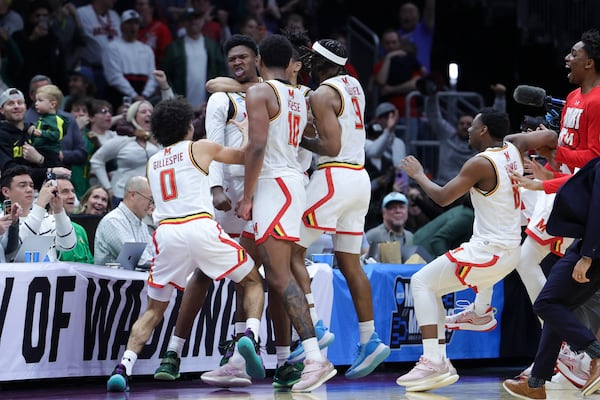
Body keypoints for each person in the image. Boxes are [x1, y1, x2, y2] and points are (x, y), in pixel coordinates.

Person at [106, 97, 265, 393]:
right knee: (253, 280)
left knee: (153, 310)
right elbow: (245, 155)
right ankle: (251, 336)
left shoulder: (152, 161)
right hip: (199, 226)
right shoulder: (199, 147)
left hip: (167, 234)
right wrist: (244, 129)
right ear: (188, 126)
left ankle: (123, 367)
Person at [394, 107, 543, 392]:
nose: (468, 131)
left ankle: (435, 360)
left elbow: (442, 197)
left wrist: (418, 175)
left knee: (421, 282)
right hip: (509, 250)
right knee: (434, 284)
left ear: (484, 130)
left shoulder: (480, 164)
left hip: (489, 252)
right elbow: (549, 135)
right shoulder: (514, 147)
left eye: (473, 126)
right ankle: (476, 316)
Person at [152, 34, 264, 388]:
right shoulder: (223, 96)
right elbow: (213, 143)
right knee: (205, 272)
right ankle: (174, 350)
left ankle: (235, 353)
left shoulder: (269, 92)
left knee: (248, 274)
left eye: (243, 57)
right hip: (229, 190)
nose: (237, 63)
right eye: (232, 58)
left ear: (258, 58)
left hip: (265, 188)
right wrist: (216, 188)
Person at [235, 34, 336, 393]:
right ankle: (237, 357)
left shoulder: (260, 93)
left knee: (278, 277)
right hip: (291, 182)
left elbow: (257, 145)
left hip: (272, 185)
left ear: (260, 59)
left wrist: (246, 196)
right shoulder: (300, 95)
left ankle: (313, 358)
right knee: (245, 267)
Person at [290, 38, 391, 380]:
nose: (308, 65)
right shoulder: (354, 85)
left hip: (334, 176)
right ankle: (369, 339)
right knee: (350, 262)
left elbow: (330, 145)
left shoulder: (322, 93)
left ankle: (315, 325)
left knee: (290, 250)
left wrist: (298, 139)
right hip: (359, 179)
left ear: (321, 63)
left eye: (312, 61)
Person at [503, 157, 600, 399]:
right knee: (557, 306)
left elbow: (599, 210)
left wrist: (587, 255)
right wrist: (544, 182)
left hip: (592, 249)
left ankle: (596, 354)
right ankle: (536, 384)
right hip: (589, 245)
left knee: (545, 303)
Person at [425, 83, 506, 186]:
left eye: (469, 124)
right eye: (462, 124)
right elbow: (434, 117)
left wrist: (500, 97)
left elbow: (495, 121)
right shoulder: (447, 135)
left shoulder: (481, 141)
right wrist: (432, 95)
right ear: (456, 125)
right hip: (443, 184)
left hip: (469, 190)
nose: (465, 127)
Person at [90, 100, 160, 206]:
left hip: (151, 197)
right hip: (122, 196)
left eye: (151, 111)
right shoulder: (123, 139)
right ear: (134, 116)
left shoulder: (158, 140)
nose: (148, 114)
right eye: (143, 112)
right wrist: (108, 188)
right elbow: (96, 160)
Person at [0, 164, 77, 262]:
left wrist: (59, 211)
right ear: (6, 191)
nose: (29, 189)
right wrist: (40, 203)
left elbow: (68, 245)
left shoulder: (48, 218)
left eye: (31, 185)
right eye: (22, 185)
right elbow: (18, 248)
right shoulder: (2, 221)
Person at [0, 88, 71, 189]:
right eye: (10, 103)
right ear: (2, 110)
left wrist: (40, 159)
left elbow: (57, 164)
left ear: (25, 106)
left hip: (40, 191)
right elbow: (9, 171)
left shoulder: (36, 131)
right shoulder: (2, 134)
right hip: (13, 194)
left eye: (20, 102)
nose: (16, 106)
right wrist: (48, 171)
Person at [161, 8, 227, 110]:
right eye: (189, 19)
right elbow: (167, 76)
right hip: (181, 105)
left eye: (196, 18)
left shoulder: (213, 46)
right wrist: (174, 99)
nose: (193, 22)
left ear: (202, 20)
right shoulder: (174, 47)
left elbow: (222, 73)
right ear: (184, 23)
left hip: (208, 105)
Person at [24, 75, 88, 175]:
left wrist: (62, 155)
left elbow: (82, 153)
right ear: (32, 95)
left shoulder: (68, 119)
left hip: (64, 175)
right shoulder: (25, 120)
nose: (47, 93)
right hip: (34, 176)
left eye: (50, 91)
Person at [102, 9, 158, 109]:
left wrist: (144, 95)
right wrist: (134, 95)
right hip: (119, 96)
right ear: (122, 26)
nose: (133, 27)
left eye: (136, 23)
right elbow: (114, 77)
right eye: (129, 23)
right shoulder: (112, 47)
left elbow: (152, 76)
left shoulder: (146, 49)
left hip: (143, 96)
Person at [93, 176, 153, 267]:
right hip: (111, 280)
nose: (151, 205)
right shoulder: (113, 221)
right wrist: (165, 264)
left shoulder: (142, 225)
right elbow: (137, 259)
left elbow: (153, 253)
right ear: (133, 195)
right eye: (150, 199)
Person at [27, 84, 68, 168]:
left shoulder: (56, 119)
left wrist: (42, 133)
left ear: (52, 104)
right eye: (36, 101)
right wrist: (32, 127)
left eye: (40, 100)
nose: (36, 103)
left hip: (49, 153)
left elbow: (58, 135)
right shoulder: (43, 118)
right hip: (39, 150)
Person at [365, 191, 414, 261]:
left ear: (407, 210)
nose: (398, 211)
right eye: (392, 207)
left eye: (401, 207)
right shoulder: (373, 235)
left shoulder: (410, 236)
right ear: (383, 212)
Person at [55, 176, 94, 264]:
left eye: (73, 191)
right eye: (65, 192)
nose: (72, 196)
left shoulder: (79, 229)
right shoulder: (46, 228)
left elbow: (91, 263)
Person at [395, 0, 435, 74]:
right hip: (399, 78)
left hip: (421, 78)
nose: (407, 15)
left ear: (418, 15)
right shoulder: (393, 36)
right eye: (404, 12)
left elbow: (429, 8)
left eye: (411, 12)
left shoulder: (424, 30)